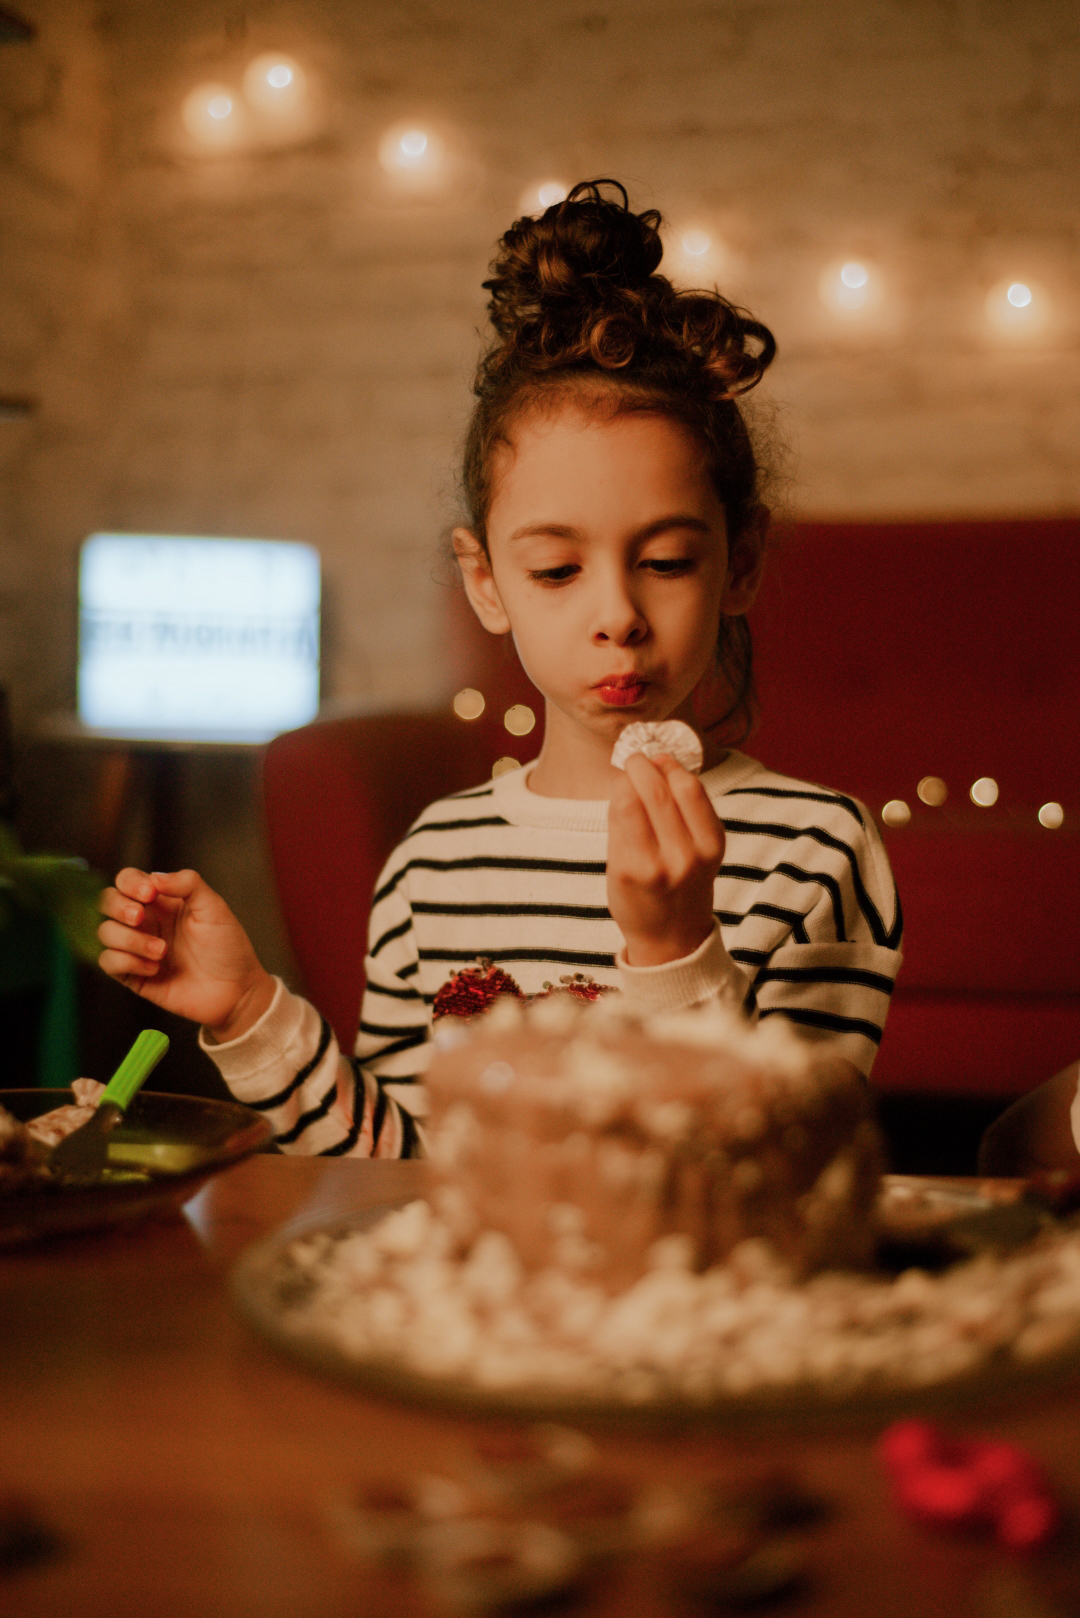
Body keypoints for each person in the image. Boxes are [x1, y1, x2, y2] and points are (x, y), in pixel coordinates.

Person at [97, 180, 903, 1159]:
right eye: (557, 570)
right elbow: (404, 1172)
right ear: (486, 582)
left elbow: (786, 1178)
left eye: (665, 561)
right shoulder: (435, 863)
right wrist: (248, 1011)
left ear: (741, 562)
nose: (618, 616)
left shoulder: (814, 851)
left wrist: (676, 950)